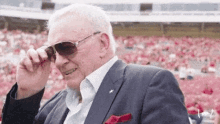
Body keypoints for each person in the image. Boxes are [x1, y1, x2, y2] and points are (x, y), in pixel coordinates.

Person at [1, 4, 190, 124]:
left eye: (66, 47)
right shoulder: (57, 103)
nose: (58, 61)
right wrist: (27, 92)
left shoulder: (149, 83)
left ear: (103, 43)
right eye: (52, 52)